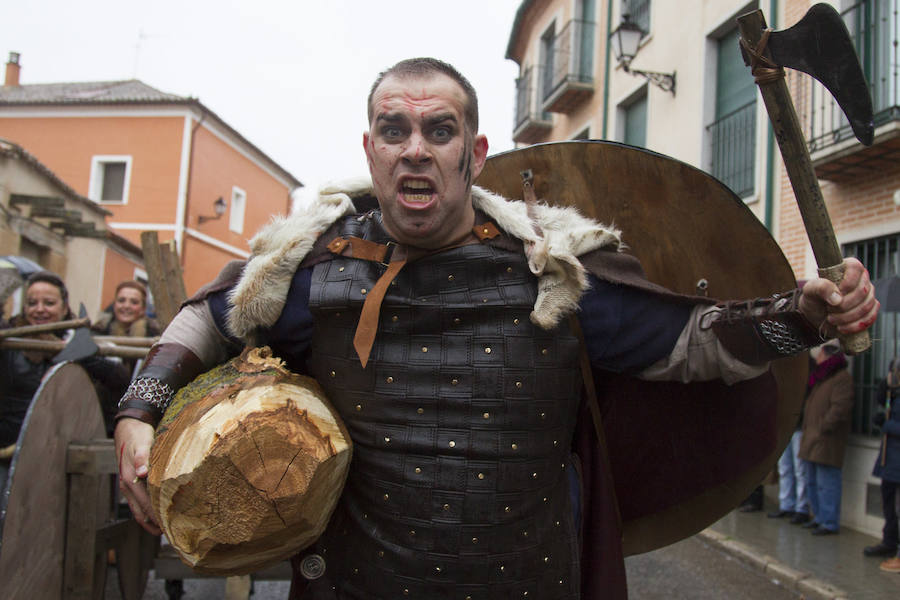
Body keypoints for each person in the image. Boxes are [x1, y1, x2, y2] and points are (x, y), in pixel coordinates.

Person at [114, 58, 879, 599]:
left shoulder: (554, 272)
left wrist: (804, 316)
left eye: (438, 130)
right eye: (394, 129)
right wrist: (140, 409)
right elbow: (208, 317)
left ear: (474, 154)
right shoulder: (319, 263)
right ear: (370, 151)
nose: (415, 147)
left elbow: (693, 343)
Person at [0, 271, 130, 481]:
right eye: (32, 303)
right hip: (9, 451)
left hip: (62, 457)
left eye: (49, 303)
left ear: (64, 307)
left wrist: (75, 353)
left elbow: (121, 379)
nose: (39, 309)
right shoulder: (9, 342)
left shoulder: (80, 341)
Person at [798, 340, 855, 535]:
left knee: (827, 483)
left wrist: (823, 428)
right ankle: (819, 517)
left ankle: (829, 521)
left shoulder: (841, 379)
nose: (817, 358)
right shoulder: (821, 378)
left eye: (820, 354)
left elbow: (840, 408)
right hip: (812, 438)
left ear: (828, 356)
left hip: (826, 440)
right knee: (812, 481)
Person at [768, 355, 813, 524]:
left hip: (800, 428)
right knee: (785, 468)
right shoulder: (784, 371)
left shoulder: (812, 371)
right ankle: (786, 504)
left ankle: (801, 508)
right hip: (786, 426)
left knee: (800, 470)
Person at [866, 359, 900, 571]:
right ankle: (889, 542)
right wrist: (885, 386)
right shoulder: (894, 392)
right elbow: (883, 400)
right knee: (888, 504)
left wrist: (886, 424)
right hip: (890, 459)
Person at [92, 280, 160, 375]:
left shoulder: (155, 337)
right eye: (121, 300)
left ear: (143, 308)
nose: (127, 306)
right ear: (115, 304)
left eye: (134, 302)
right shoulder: (98, 331)